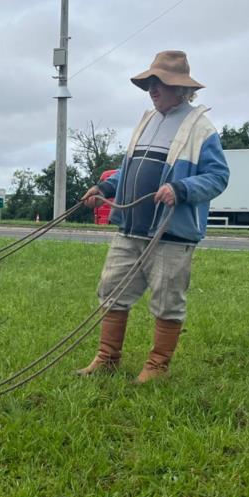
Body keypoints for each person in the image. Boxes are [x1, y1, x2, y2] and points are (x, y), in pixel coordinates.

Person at [77, 50, 229, 383]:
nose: (153, 90)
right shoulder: (146, 122)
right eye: (150, 83)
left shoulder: (201, 129)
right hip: (130, 229)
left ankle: (157, 367)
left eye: (159, 83)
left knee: (167, 299)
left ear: (180, 88)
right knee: (111, 290)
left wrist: (181, 189)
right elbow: (127, 171)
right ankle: (107, 358)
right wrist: (105, 188)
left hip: (171, 233)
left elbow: (218, 177)